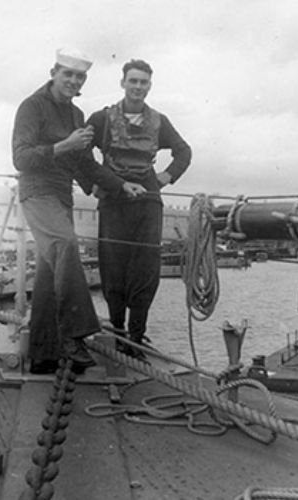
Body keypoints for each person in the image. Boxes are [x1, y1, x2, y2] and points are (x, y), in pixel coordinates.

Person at [12, 48, 146, 374]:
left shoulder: (75, 114)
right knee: (66, 244)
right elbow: (21, 158)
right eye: (68, 74)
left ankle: (44, 355)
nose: (73, 81)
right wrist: (64, 146)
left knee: (48, 275)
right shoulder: (32, 106)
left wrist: (120, 185)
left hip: (62, 197)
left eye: (80, 76)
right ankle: (75, 334)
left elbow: (85, 164)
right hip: (37, 193)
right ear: (54, 73)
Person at [86, 59, 191, 358]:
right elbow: (79, 154)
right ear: (123, 83)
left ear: (149, 86)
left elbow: (184, 152)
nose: (137, 87)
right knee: (113, 267)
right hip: (113, 200)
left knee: (145, 270)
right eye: (133, 81)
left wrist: (165, 177)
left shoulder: (159, 121)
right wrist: (93, 183)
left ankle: (136, 337)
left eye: (143, 82)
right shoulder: (102, 119)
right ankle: (119, 336)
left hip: (147, 202)